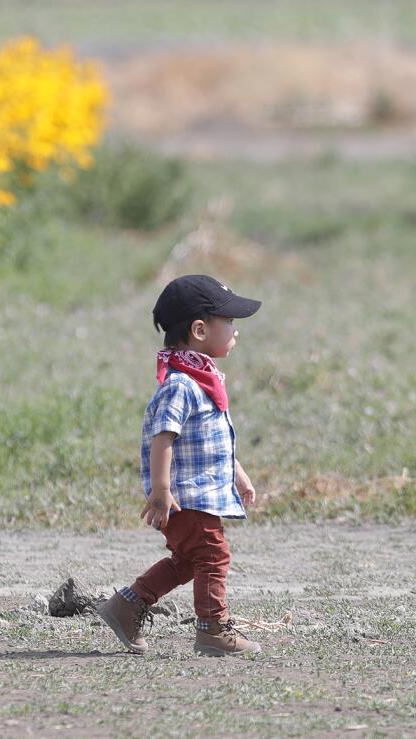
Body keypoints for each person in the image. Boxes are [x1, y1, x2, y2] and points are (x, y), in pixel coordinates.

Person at [97, 274, 262, 657]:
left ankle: (127, 604)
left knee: (189, 560)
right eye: (230, 323)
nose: (236, 331)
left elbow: (211, 439)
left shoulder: (201, 379)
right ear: (200, 329)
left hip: (200, 493)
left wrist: (238, 475)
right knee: (212, 555)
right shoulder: (181, 385)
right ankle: (212, 630)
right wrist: (161, 489)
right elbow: (163, 436)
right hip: (185, 497)